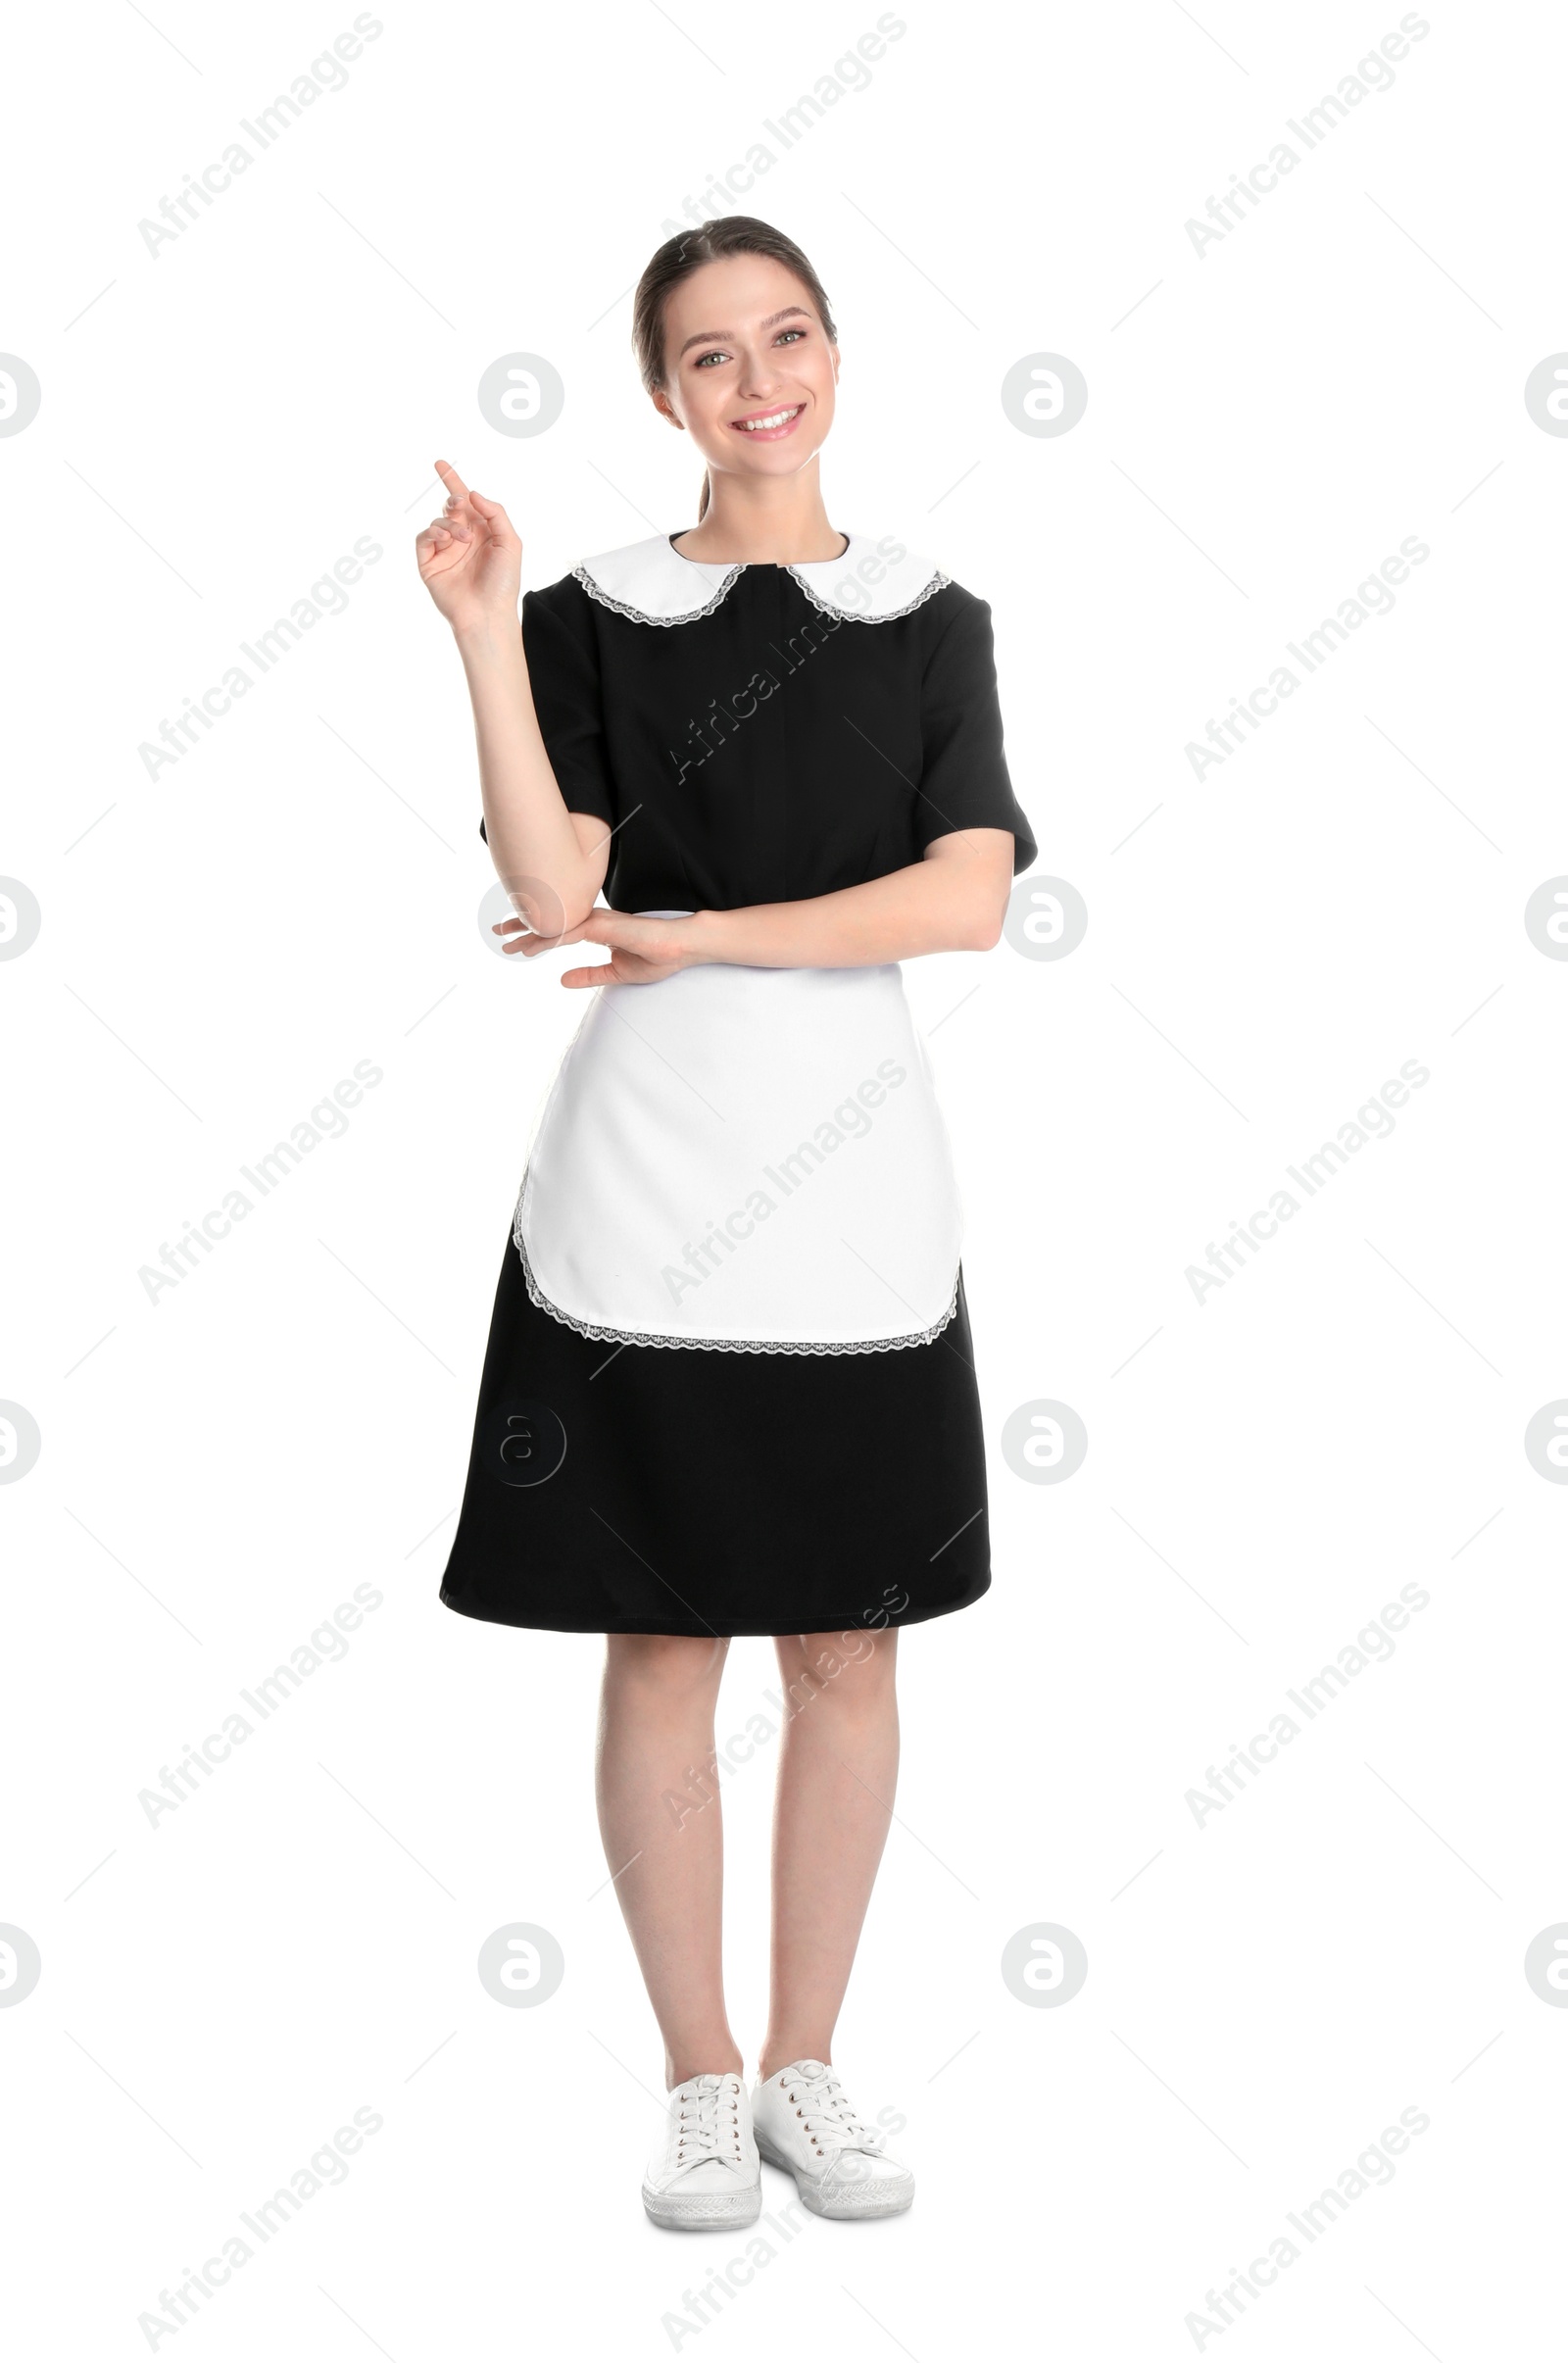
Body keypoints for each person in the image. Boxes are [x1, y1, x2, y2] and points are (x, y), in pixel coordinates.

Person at [416, 215, 1037, 2231]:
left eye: (784, 337)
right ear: (660, 389)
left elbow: (963, 899)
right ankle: (696, 2078)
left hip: (853, 1189)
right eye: (706, 354)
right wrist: (485, 636)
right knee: (665, 1638)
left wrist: (701, 933)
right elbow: (554, 883)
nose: (754, 377)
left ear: (834, 354)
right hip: (644, 1193)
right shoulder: (596, 610)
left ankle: (809, 2067)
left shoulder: (928, 615)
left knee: (847, 1655)